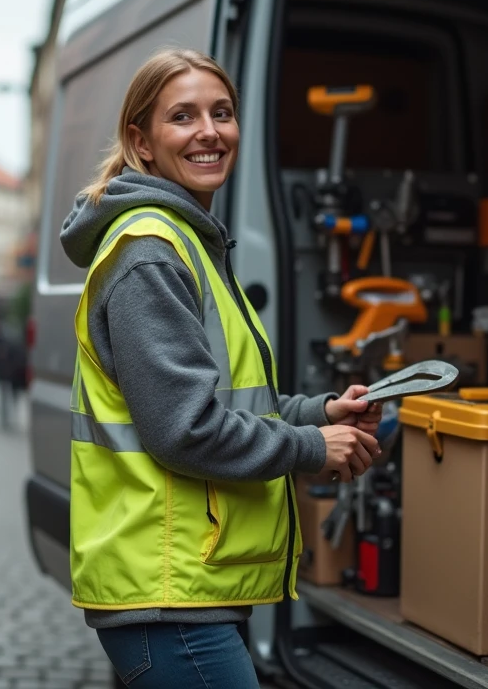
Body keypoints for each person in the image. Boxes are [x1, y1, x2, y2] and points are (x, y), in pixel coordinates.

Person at [61, 48, 383, 688]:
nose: (209, 131)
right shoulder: (152, 251)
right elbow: (186, 429)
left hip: (182, 582)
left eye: (223, 113)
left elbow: (224, 401)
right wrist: (310, 447)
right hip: (167, 592)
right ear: (141, 142)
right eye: (182, 116)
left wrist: (319, 412)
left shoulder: (187, 238)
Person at [0, 332, 28, 431]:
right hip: (9, 379)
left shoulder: (5, 349)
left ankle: (6, 419)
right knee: (8, 398)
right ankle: (6, 419)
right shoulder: (15, 349)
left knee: (7, 399)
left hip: (9, 379)